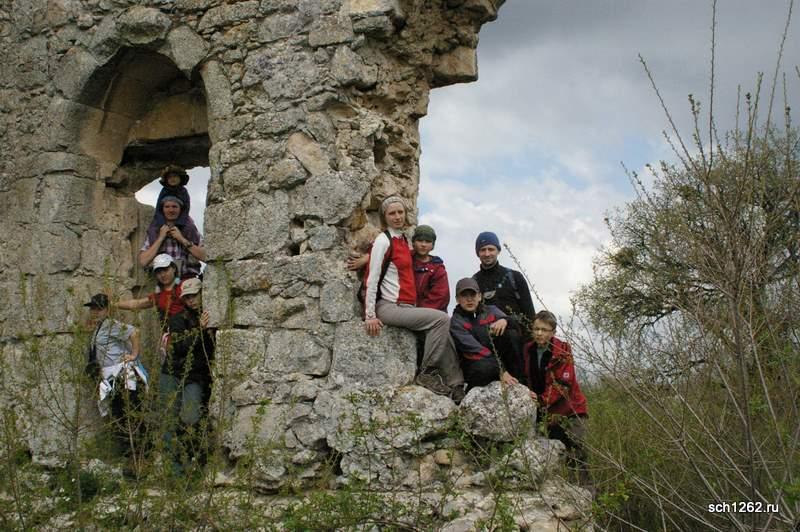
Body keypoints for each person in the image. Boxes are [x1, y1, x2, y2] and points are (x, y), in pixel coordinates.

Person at [363, 196, 465, 401]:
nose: (397, 217)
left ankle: (457, 385)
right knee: (441, 319)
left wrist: (365, 257)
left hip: (406, 307)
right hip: (390, 306)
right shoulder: (383, 240)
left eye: (400, 212)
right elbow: (371, 278)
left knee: (444, 333)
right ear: (384, 217)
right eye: (392, 213)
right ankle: (427, 372)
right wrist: (370, 315)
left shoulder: (402, 240)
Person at [523, 310, 589, 484]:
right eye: (536, 329)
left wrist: (541, 400)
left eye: (544, 330)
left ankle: (587, 494)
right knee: (555, 456)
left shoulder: (563, 350)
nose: (539, 333)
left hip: (571, 411)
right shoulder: (528, 350)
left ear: (553, 332)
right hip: (548, 414)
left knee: (577, 455)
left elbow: (563, 384)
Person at [160, 277, 215, 472]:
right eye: (187, 297)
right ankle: (174, 469)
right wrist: (199, 329)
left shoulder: (212, 317)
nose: (191, 300)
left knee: (191, 417)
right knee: (169, 419)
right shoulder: (178, 319)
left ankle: (193, 459)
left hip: (196, 376)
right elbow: (179, 346)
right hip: (172, 372)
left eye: (194, 295)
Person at [84, 293, 148, 456]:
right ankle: (130, 452)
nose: (95, 312)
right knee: (119, 412)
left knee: (129, 411)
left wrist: (134, 354)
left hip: (120, 374)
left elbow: (134, 332)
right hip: (111, 377)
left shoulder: (109, 324)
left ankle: (141, 451)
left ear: (107, 310)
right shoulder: (99, 327)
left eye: (99, 309)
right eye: (93, 309)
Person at [347, 224, 450, 311]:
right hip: (402, 306)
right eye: (420, 240)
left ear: (433, 245)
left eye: (427, 241)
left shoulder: (437, 269)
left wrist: (418, 312)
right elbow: (386, 254)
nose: (423, 244)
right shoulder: (405, 257)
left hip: (425, 311)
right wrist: (367, 258)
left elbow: (440, 296)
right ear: (413, 242)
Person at [450, 278, 522, 389]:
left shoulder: (491, 310)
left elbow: (515, 325)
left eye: (473, 294)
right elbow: (477, 350)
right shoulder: (456, 322)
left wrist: (505, 320)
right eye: (464, 295)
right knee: (484, 368)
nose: (469, 299)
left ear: (479, 296)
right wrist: (501, 370)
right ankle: (469, 391)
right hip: (474, 362)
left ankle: (519, 381)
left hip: (495, 359)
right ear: (457, 299)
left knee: (511, 335)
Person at [472, 231, 535, 325]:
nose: (487, 254)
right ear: (477, 253)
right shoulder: (473, 283)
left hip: (517, 332)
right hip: (486, 333)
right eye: (483, 250)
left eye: (491, 249)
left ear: (498, 251)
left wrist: (507, 321)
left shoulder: (515, 277)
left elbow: (530, 315)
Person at [139, 192, 205, 279]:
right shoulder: (154, 231)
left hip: (187, 279)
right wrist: (160, 238)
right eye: (167, 207)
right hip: (162, 280)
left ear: (180, 209)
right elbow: (143, 261)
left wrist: (182, 239)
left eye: (174, 207)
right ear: (162, 209)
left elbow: (206, 256)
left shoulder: (190, 229)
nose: (171, 210)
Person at [116, 253, 184, 329]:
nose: (162, 275)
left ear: (174, 268)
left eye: (165, 270)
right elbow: (136, 304)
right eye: (159, 272)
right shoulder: (158, 296)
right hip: (169, 333)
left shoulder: (184, 287)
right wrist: (112, 304)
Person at [147, 165, 198, 237]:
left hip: (181, 218)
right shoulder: (164, 191)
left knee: (190, 227)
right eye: (170, 177)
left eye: (175, 176)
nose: (172, 179)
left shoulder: (183, 191)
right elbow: (158, 207)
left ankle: (189, 241)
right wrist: (162, 223)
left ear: (180, 178)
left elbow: (186, 208)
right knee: (152, 229)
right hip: (164, 218)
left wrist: (179, 224)